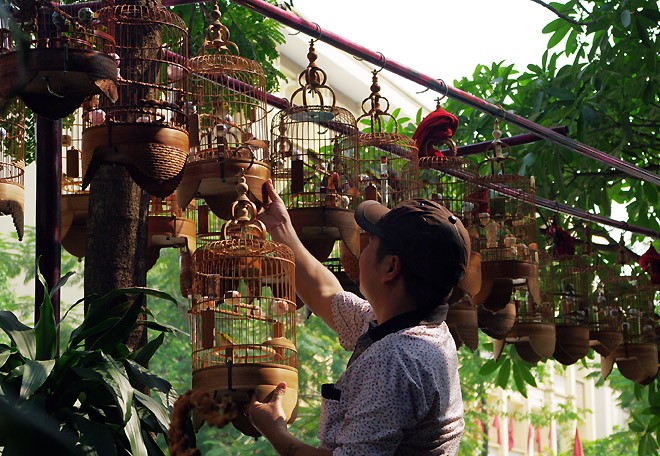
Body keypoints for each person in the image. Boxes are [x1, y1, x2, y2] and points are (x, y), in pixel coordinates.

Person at [248, 180, 468, 455]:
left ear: (391, 267)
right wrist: (279, 227)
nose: (361, 250)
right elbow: (325, 295)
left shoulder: (394, 360)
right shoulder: (416, 331)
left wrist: (276, 432)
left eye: (371, 241)